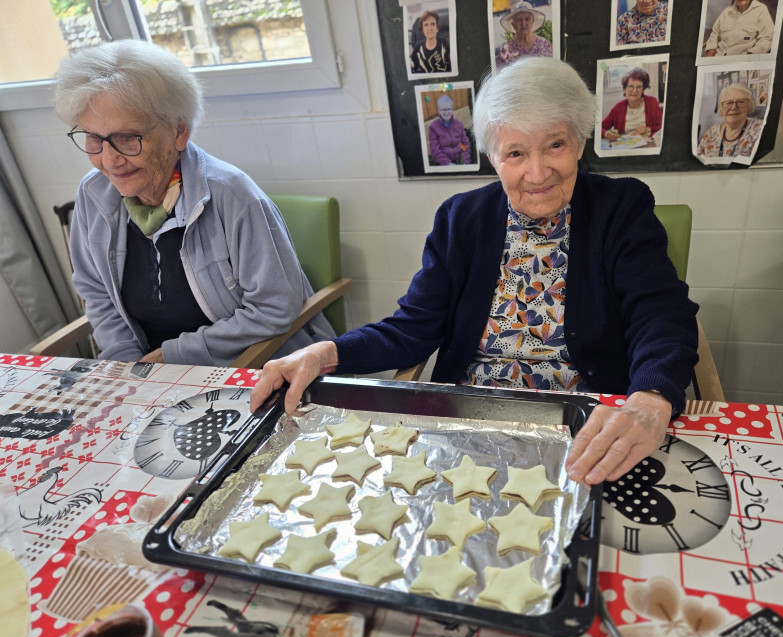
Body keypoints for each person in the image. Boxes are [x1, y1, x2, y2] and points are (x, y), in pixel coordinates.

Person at [250, 57, 699, 486]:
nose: (538, 172)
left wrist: (652, 398)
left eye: (556, 145)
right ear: (492, 157)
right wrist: (324, 353)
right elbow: (412, 328)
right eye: (516, 153)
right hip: (465, 420)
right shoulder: (461, 219)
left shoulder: (621, 209)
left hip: (584, 425)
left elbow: (660, 315)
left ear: (580, 142)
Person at [53, 40, 334, 367]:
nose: (109, 159)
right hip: (154, 375)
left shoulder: (233, 196)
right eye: (93, 139)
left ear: (179, 131)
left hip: (256, 367)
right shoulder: (94, 195)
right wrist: (129, 371)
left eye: (127, 137)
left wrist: (172, 356)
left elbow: (273, 309)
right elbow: (99, 296)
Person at [697, 83, 763, 158]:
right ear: (722, 107)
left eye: (740, 102)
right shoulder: (711, 132)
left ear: (749, 105)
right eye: (728, 102)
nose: (734, 107)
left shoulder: (760, 130)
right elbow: (697, 160)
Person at [601, 68, 663, 141]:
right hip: (624, 146)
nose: (634, 90)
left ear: (643, 89)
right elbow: (600, 127)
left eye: (639, 87)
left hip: (646, 144)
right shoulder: (618, 108)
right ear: (624, 89)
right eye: (631, 86)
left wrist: (647, 129)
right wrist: (607, 134)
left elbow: (662, 126)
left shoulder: (652, 102)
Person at [496, 1, 553, 70]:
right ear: (513, 24)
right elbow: (499, 73)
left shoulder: (544, 45)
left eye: (527, 19)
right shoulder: (506, 48)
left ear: (533, 21)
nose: (523, 23)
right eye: (519, 20)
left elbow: (550, 71)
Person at [704, 0, 774, 56]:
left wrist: (752, 55)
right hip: (719, 56)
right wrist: (711, 48)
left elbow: (768, 38)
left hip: (742, 60)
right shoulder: (727, 12)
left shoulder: (761, 10)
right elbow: (715, 33)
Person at [428, 95, 471, 165]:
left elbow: (465, 144)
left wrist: (465, 161)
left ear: (452, 109)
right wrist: (447, 164)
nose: (446, 112)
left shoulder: (459, 124)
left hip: (459, 159)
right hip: (443, 162)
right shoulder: (433, 127)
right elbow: (435, 150)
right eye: (443, 110)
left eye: (448, 109)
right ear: (439, 111)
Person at [410, 10, 451, 74]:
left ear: (437, 28)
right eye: (426, 25)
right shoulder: (418, 47)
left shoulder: (445, 44)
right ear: (422, 29)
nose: (429, 28)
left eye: (432, 24)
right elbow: (413, 70)